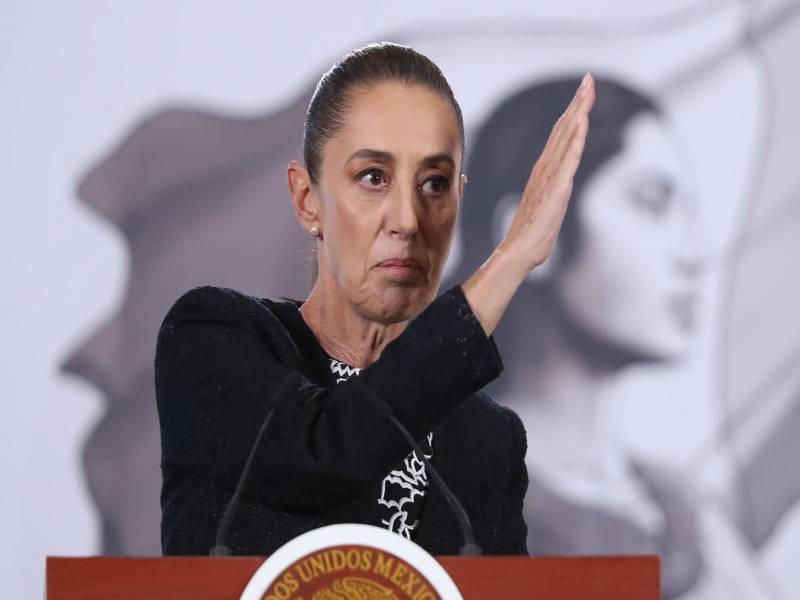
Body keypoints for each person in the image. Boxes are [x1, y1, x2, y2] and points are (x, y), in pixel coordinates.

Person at [154, 42, 595, 556]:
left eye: (435, 183)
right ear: (307, 200)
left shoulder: (488, 439)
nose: (407, 221)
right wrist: (511, 258)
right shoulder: (215, 338)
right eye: (373, 178)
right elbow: (325, 457)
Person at [451, 76, 774, 598]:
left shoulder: (684, 510)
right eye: (652, 203)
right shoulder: (448, 498)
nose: (693, 255)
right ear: (535, 235)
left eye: (689, 214)